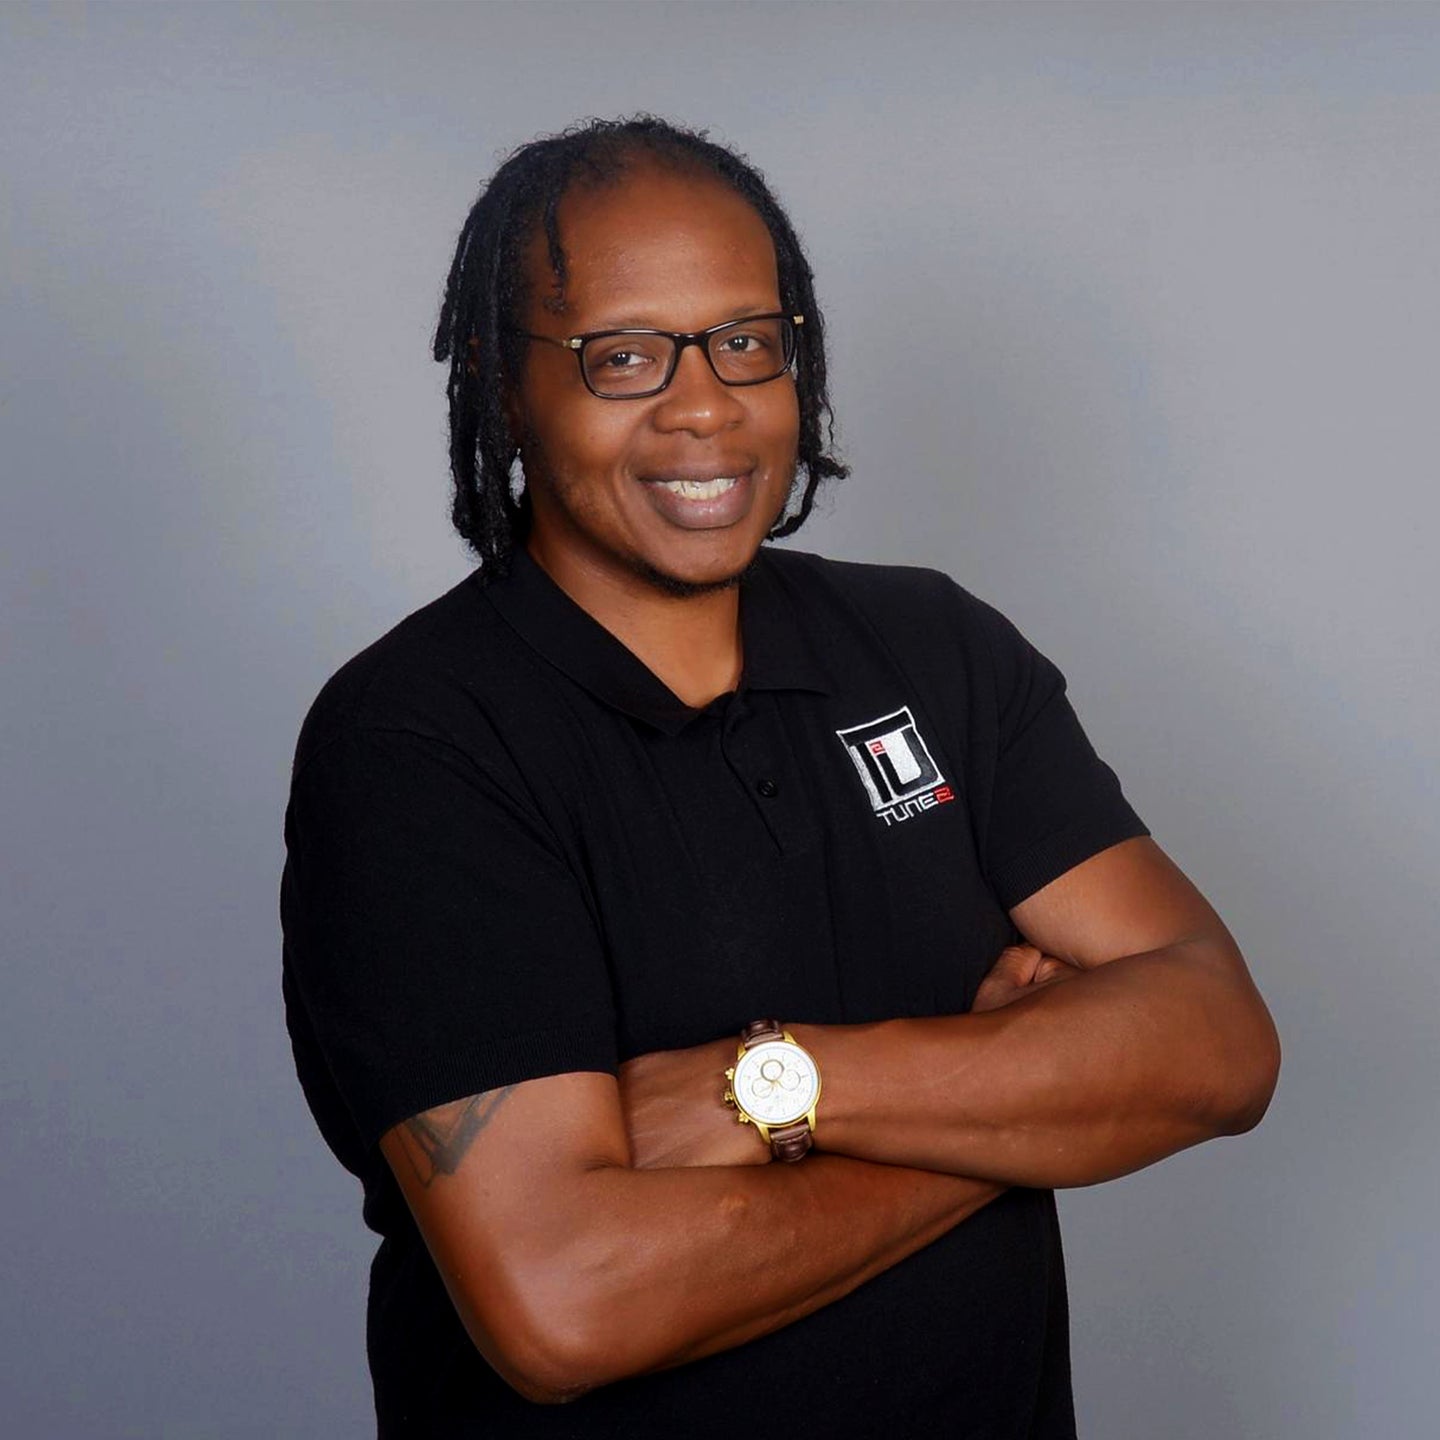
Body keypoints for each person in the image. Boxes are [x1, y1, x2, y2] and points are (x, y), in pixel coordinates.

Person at [280, 116, 1280, 1438]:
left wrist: (781, 1085)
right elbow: (564, 1304)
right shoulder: (419, 744)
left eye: (749, 341)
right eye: (623, 356)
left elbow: (1219, 1048)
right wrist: (1010, 1099)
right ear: (502, 382)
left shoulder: (934, 648)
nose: (706, 404)